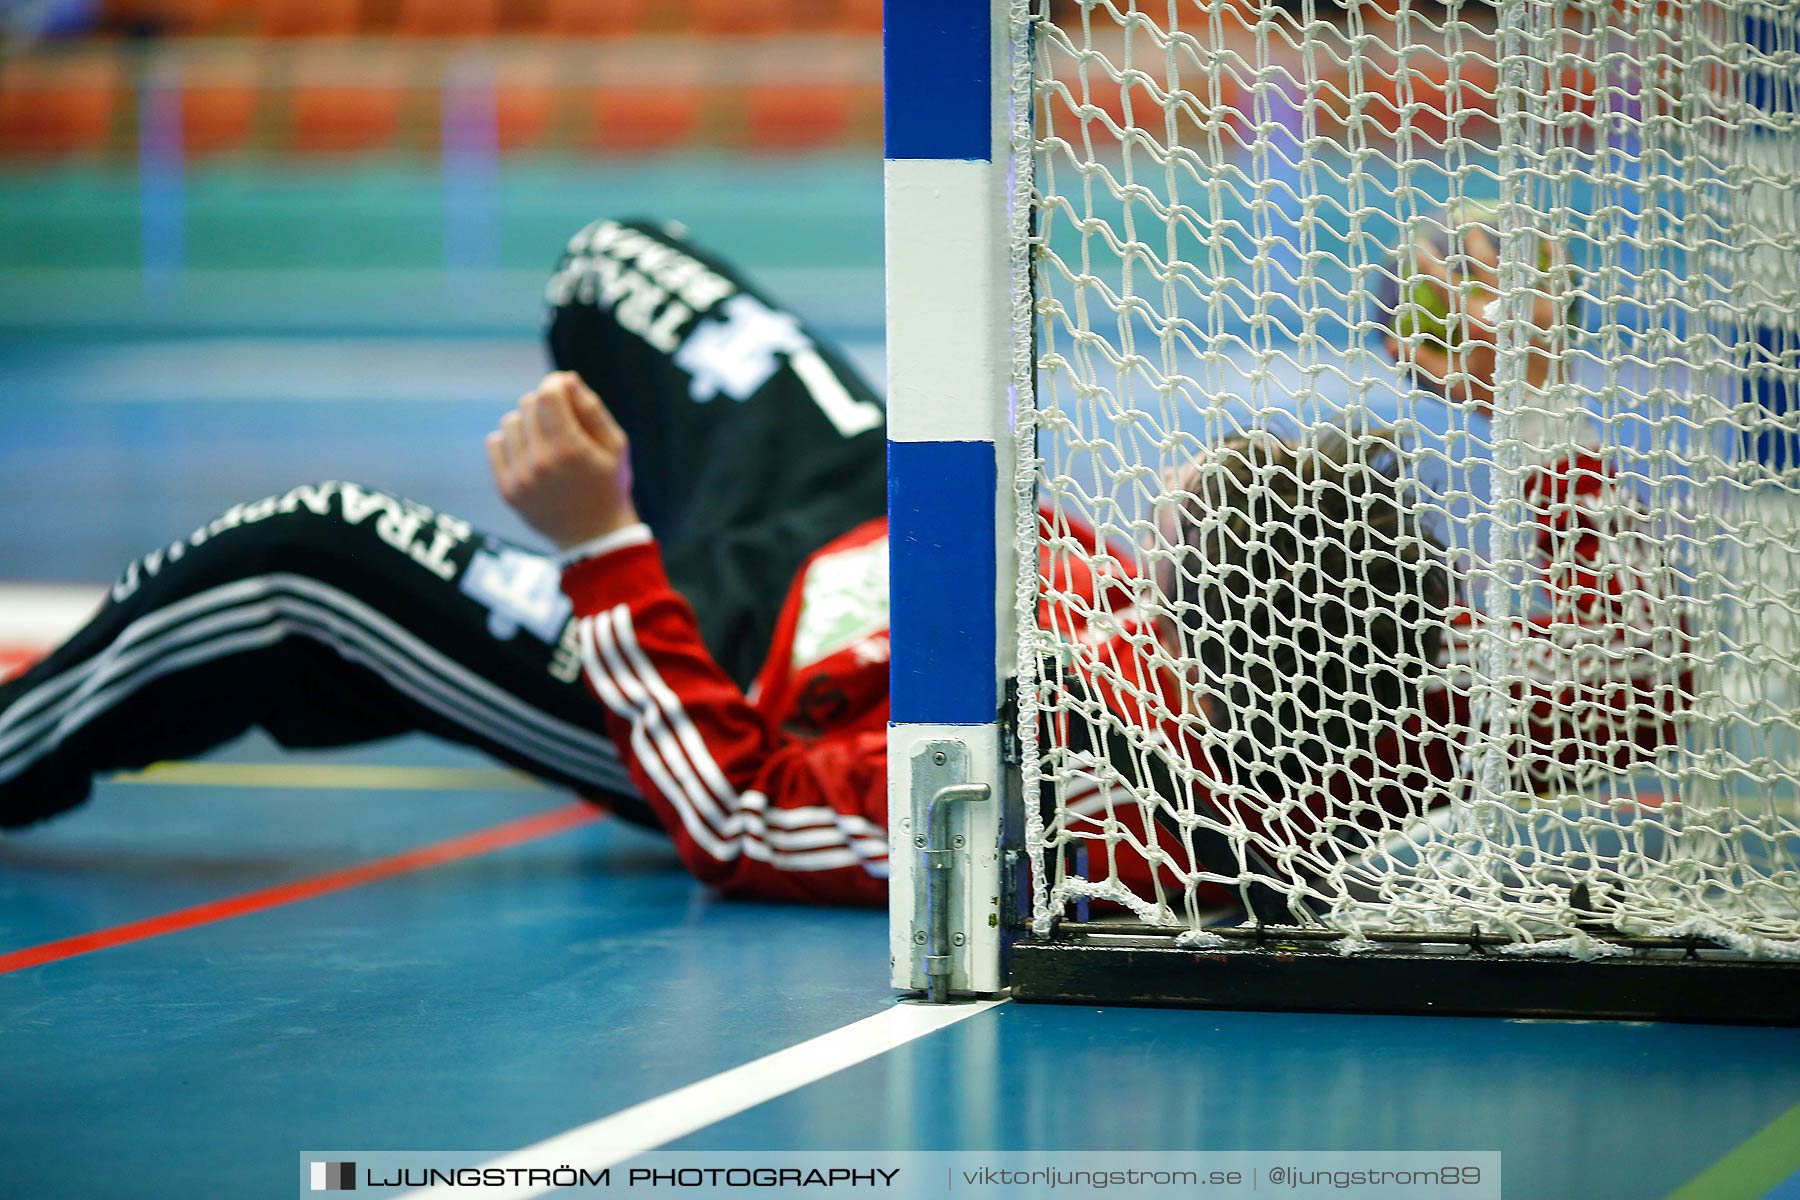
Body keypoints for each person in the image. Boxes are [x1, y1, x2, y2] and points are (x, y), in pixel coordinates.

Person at [0, 211, 1670, 918]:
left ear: (1195, 598)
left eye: (1180, 523)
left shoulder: (1052, 778)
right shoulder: (1410, 687)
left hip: (709, 648)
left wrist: (602, 550)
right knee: (611, 272)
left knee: (304, 557)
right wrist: (1542, 416)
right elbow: (1640, 692)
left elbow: (738, 813)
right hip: (867, 502)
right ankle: (348, 676)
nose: (1155, 517)